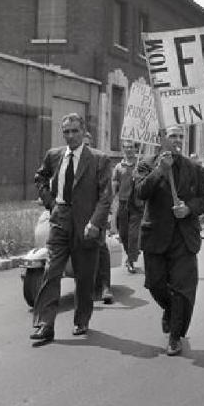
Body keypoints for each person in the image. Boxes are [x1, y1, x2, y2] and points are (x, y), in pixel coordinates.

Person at [30, 113, 112, 342]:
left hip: (86, 224)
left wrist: (95, 223)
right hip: (60, 220)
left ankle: (82, 319)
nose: (70, 136)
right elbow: (40, 178)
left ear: (83, 132)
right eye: (66, 132)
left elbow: (106, 197)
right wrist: (51, 203)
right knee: (51, 271)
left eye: (74, 131)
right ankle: (45, 324)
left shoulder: (99, 159)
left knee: (84, 277)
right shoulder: (54, 155)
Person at [134, 125, 204, 356]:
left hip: (183, 237)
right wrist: (160, 170)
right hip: (156, 236)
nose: (177, 140)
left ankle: (175, 336)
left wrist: (188, 208)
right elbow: (140, 192)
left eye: (180, 136)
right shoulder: (147, 164)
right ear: (162, 139)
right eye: (172, 136)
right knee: (156, 285)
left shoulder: (194, 168)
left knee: (182, 289)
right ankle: (169, 310)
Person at [83, 132, 113, 305]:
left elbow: (106, 192)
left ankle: (105, 286)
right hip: (76, 213)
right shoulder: (68, 160)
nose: (84, 147)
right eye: (82, 144)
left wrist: (102, 215)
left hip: (97, 211)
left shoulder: (100, 161)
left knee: (100, 245)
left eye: (88, 144)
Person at [112, 140, 145, 274]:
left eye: (131, 147)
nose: (129, 149)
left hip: (137, 204)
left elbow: (147, 182)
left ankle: (131, 260)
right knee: (123, 233)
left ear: (135, 149)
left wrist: (140, 177)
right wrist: (110, 199)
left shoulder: (141, 165)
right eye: (126, 147)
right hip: (123, 203)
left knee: (133, 234)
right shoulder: (119, 167)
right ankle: (131, 252)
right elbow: (114, 184)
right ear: (123, 149)